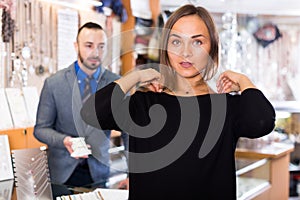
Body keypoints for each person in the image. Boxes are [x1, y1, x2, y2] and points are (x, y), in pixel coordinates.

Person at [80, 5, 275, 200]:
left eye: (197, 42)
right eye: (176, 42)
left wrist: (243, 81)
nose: (186, 52)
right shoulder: (145, 103)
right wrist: (136, 76)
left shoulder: (225, 107)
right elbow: (91, 113)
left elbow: (263, 121)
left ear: (212, 48)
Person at [34, 22, 128, 189]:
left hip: (99, 174)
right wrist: (64, 140)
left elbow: (129, 132)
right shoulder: (54, 84)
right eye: (89, 46)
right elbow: (40, 129)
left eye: (101, 47)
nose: (95, 53)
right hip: (61, 175)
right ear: (76, 46)